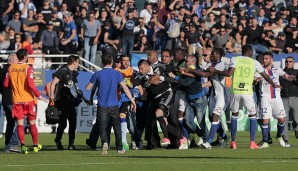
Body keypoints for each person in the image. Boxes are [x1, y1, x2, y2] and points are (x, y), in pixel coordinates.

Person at [208, 45, 277, 149]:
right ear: (250, 52)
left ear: (242, 52)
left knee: (234, 115)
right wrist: (274, 84)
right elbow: (265, 76)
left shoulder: (235, 59)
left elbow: (228, 73)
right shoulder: (254, 62)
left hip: (235, 91)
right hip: (247, 92)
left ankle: (233, 142)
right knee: (252, 116)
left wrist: (215, 70)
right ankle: (252, 143)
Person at [85, 53, 136, 155]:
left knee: (102, 126)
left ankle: (104, 142)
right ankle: (119, 148)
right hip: (114, 105)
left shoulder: (97, 74)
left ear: (102, 62)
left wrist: (91, 96)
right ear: (112, 62)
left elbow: (88, 87)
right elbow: (125, 88)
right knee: (117, 127)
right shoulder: (117, 74)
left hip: (102, 105)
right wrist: (133, 101)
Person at [4, 49, 48, 154]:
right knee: (32, 122)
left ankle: (23, 146)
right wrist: (39, 96)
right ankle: (35, 145)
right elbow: (30, 84)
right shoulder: (28, 68)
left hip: (17, 101)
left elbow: (6, 85)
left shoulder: (11, 68)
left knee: (20, 124)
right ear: (25, 57)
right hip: (28, 99)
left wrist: (15, 85)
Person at [257, 52, 295, 148]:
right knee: (265, 120)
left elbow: (288, 77)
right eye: (263, 58)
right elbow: (255, 79)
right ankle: (266, 141)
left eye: (266, 58)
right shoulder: (260, 70)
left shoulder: (277, 69)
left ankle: (278, 136)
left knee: (282, 119)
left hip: (276, 98)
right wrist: (255, 80)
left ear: (271, 59)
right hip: (265, 97)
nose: (264, 60)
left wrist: (294, 77)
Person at [50, 55, 81, 150]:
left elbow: (75, 87)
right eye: (78, 62)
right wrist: (52, 95)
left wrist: (82, 97)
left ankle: (71, 143)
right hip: (61, 101)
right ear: (74, 62)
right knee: (63, 124)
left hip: (70, 101)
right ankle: (58, 140)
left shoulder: (73, 73)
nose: (79, 64)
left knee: (73, 123)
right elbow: (53, 83)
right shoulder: (62, 71)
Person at [0, 53, 20, 153]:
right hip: (12, 99)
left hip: (5, 100)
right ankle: (14, 144)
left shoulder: (2, 70)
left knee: (11, 123)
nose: (18, 61)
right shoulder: (12, 69)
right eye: (17, 59)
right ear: (11, 60)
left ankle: (8, 146)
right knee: (21, 122)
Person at [280, 56, 298, 142]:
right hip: (283, 99)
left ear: (293, 63)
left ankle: (297, 130)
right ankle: (285, 138)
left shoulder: (296, 72)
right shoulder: (281, 72)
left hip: (295, 98)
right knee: (284, 119)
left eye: (290, 61)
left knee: (296, 119)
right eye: (287, 61)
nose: (288, 63)